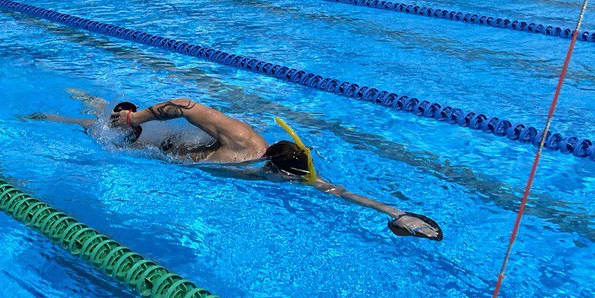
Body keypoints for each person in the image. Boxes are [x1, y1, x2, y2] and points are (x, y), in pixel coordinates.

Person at [89, 97, 439, 240]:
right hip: (157, 144)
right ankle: (94, 104)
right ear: (273, 165)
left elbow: (338, 190)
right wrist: (136, 118)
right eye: (288, 178)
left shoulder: (289, 169)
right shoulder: (242, 141)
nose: (291, 183)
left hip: (170, 161)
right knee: (97, 127)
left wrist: (395, 212)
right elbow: (184, 105)